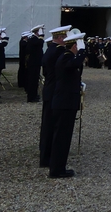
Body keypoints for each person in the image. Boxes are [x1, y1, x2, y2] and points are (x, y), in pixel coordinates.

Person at [48, 31, 86, 179]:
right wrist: (82, 52)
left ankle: (59, 167)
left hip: (66, 102)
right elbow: (75, 64)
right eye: (79, 46)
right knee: (61, 138)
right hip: (64, 103)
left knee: (64, 137)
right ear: (74, 46)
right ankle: (57, 170)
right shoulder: (65, 57)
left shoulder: (67, 56)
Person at [40, 25, 70, 168]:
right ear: (60, 38)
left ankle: (45, 155)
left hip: (49, 89)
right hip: (55, 91)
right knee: (53, 126)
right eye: (66, 37)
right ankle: (49, 157)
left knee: (48, 125)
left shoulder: (50, 49)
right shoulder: (59, 51)